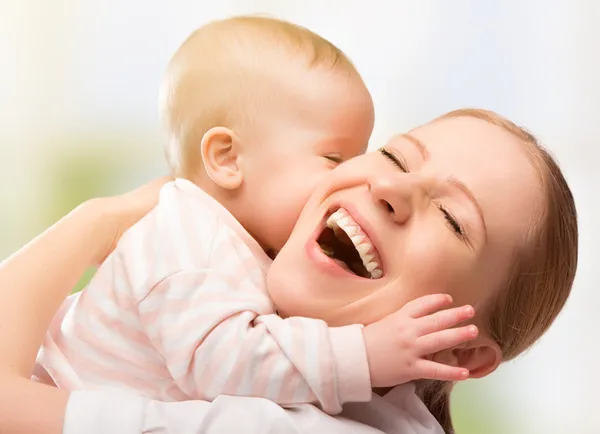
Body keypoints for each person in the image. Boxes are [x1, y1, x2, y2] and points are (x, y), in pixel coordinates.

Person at [0, 108, 578, 433]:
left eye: (453, 220)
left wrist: (100, 220)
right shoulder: (222, 279)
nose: (392, 187)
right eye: (397, 157)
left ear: (460, 354)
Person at [35, 15, 475, 415]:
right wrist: (360, 355)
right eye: (334, 157)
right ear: (228, 159)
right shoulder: (186, 238)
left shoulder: (239, 245)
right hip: (48, 400)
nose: (350, 179)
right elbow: (223, 365)